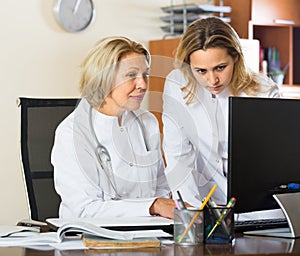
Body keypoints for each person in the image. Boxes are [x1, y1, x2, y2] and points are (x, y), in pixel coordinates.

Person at [51, 36, 176, 218]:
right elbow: (84, 210)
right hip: (90, 239)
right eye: (131, 75)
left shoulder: (147, 122)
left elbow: (161, 188)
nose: (142, 84)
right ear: (104, 78)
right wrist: (152, 207)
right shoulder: (72, 133)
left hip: (149, 233)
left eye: (145, 74)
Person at [162, 17, 280, 208]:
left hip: (256, 207)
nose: (212, 80)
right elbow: (178, 155)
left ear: (235, 57)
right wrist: (190, 210)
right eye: (201, 71)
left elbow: (270, 164)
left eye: (220, 68)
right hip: (203, 204)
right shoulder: (177, 85)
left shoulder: (263, 91)